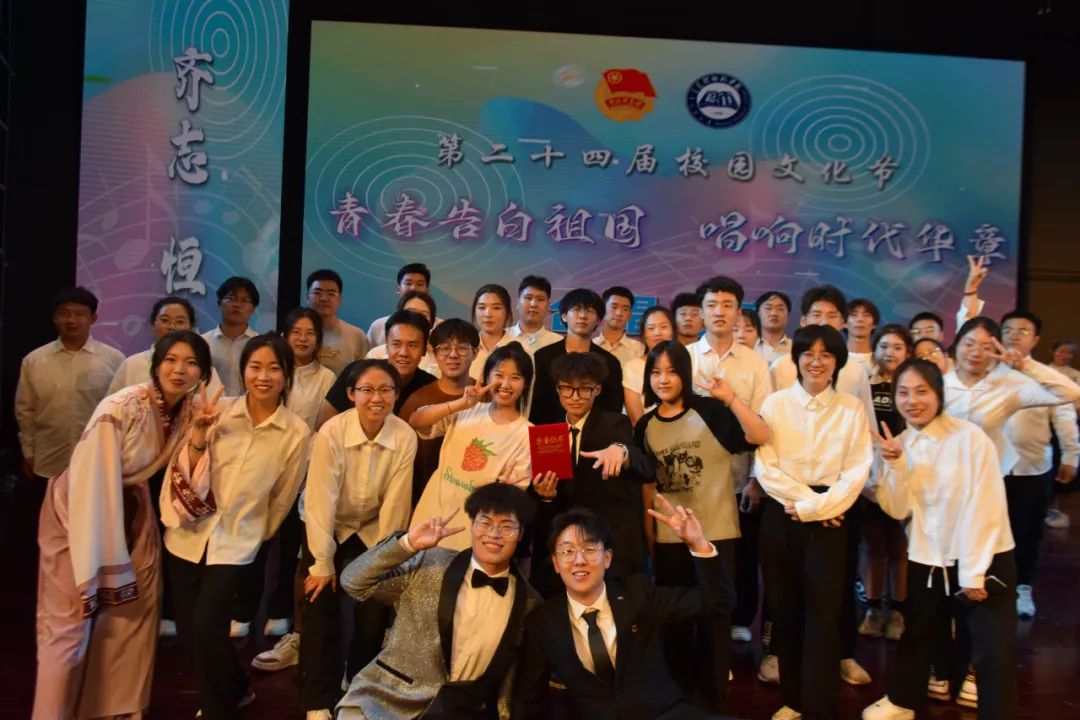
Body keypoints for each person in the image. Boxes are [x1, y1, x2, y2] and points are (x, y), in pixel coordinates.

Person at [31, 330, 210, 720]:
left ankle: (114, 708)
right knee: (68, 623)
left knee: (135, 607)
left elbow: (187, 477)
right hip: (81, 505)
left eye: (191, 362)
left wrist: (198, 437)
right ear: (155, 365)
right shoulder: (122, 406)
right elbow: (92, 474)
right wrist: (103, 545)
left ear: (203, 373)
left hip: (133, 502)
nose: (179, 370)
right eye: (170, 360)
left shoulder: (193, 410)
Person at [163, 333, 311, 719]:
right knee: (190, 631)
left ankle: (216, 707)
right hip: (188, 532)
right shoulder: (219, 410)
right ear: (243, 370)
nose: (263, 376)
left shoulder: (296, 432)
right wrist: (198, 435)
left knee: (207, 622)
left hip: (238, 540)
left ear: (287, 375)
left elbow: (284, 494)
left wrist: (261, 533)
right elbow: (184, 468)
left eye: (274, 368)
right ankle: (238, 687)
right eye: (255, 367)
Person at [862, 359, 1017, 720]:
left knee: (992, 650)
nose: (912, 401)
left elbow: (986, 506)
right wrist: (895, 464)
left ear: (939, 394)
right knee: (918, 633)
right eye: (903, 392)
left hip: (984, 557)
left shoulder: (970, 437)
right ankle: (902, 701)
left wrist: (973, 571)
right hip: (928, 557)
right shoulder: (899, 444)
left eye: (922, 391)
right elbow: (898, 509)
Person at [512, 501, 740, 720]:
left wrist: (698, 544)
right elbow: (529, 700)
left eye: (589, 548)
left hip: (663, 714)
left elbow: (719, 603)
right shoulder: (544, 622)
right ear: (555, 563)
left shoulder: (638, 593)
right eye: (568, 551)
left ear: (607, 558)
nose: (579, 560)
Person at [635, 340, 769, 712]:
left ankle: (712, 700)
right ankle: (678, 699)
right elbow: (648, 485)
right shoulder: (645, 424)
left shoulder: (711, 411)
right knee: (674, 622)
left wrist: (731, 399)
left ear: (685, 373)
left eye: (671, 371)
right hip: (669, 537)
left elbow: (760, 436)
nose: (663, 380)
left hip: (716, 533)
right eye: (656, 372)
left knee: (715, 620)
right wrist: (650, 533)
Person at [337, 484, 542, 720]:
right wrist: (407, 544)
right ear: (472, 525)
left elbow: (513, 679)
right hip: (387, 701)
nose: (494, 534)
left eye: (506, 526)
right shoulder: (431, 562)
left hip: (462, 712)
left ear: (521, 534)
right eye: (485, 523)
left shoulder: (529, 603)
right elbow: (353, 582)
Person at [755, 324, 874, 720]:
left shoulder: (851, 408)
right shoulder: (775, 404)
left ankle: (820, 707)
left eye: (826, 355)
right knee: (785, 611)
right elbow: (766, 468)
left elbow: (857, 470)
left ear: (838, 361)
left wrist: (819, 507)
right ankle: (792, 700)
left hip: (832, 519)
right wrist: (812, 504)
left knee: (824, 616)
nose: (816, 362)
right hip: (784, 513)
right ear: (797, 359)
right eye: (808, 353)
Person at [299, 359, 417, 719]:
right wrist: (322, 562)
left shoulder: (404, 435)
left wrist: (382, 561)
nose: (376, 398)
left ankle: (358, 682)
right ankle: (317, 698)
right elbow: (321, 499)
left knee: (374, 606)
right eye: (367, 390)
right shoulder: (332, 433)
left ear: (396, 394)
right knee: (319, 603)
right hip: (329, 524)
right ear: (351, 394)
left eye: (385, 390)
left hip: (373, 527)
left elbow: (396, 504)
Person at [234, 308, 336, 641]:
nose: (302, 338)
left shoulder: (326, 378)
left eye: (310, 333)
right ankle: (243, 610)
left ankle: (280, 611)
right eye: (296, 332)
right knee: (255, 543)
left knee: (291, 546)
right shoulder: (268, 371)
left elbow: (322, 429)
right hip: (259, 468)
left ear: (319, 339)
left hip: (303, 472)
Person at [529, 351, 656, 597]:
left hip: (612, 544)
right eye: (567, 388)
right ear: (558, 389)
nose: (575, 397)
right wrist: (547, 496)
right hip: (568, 547)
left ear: (597, 390)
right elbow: (546, 507)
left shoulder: (615, 424)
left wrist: (622, 452)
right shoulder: (547, 434)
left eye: (584, 389)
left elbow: (646, 467)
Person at [410, 342, 534, 550]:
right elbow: (416, 420)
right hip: (430, 515)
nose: (505, 384)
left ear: (526, 383)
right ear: (486, 377)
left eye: (515, 377)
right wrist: (462, 403)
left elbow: (511, 497)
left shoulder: (527, 433)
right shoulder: (467, 410)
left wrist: (504, 491)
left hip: (472, 532)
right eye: (499, 375)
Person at [17, 287, 125, 481]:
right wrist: (28, 452)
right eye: (65, 314)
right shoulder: (34, 361)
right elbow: (25, 411)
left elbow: (123, 411)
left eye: (79, 314)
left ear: (93, 318)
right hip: (48, 460)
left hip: (98, 461)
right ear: (55, 318)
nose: (71, 320)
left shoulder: (114, 359)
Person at [859, 324, 913, 641]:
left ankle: (898, 611)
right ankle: (873, 608)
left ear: (907, 353)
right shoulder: (865, 385)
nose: (889, 352)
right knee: (873, 546)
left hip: (905, 474)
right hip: (870, 477)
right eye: (883, 346)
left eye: (897, 347)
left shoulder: (913, 389)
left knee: (899, 547)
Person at [399, 319, 481, 503]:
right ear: (434, 353)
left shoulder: (487, 396)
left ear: (476, 352)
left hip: (475, 500)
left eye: (462, 348)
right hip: (425, 498)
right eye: (444, 348)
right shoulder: (417, 401)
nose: (453, 355)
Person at [318, 310, 435, 426]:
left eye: (412, 345)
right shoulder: (356, 373)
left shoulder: (431, 387)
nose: (404, 353)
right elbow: (325, 424)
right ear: (386, 346)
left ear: (424, 349)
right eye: (396, 344)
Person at [530, 288, 623, 425]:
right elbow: (537, 405)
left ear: (598, 320)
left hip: (596, 433)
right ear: (564, 316)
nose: (583, 316)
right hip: (552, 433)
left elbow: (613, 408)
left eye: (590, 311)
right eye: (576, 309)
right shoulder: (543, 357)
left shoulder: (609, 362)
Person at [109, 295, 223, 394]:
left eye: (180, 322)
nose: (172, 327)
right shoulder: (132, 364)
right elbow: (112, 405)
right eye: (165, 320)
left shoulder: (203, 369)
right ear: (153, 323)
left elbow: (216, 406)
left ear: (191, 327)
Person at [201, 276, 261, 396]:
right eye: (230, 299)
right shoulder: (203, 343)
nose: (237, 305)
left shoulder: (261, 344)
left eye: (245, 300)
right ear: (219, 303)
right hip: (210, 406)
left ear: (253, 308)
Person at [305, 269, 370, 376]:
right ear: (307, 297)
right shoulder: (293, 335)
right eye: (317, 293)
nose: (324, 298)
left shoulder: (357, 336)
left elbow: (364, 375)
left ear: (340, 299)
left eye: (331, 294)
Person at [366, 290, 441, 377]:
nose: (415, 319)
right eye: (410, 312)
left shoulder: (440, 360)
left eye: (423, 315)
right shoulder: (376, 355)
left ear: (432, 322)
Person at [623, 306, 674, 425]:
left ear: (673, 330)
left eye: (664, 327)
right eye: (651, 328)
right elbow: (636, 417)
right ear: (643, 335)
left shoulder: (683, 361)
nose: (658, 333)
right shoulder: (632, 367)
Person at [367, 262, 436, 346]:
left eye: (419, 284)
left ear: (427, 290)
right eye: (408, 283)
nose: (413, 288)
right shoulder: (379, 326)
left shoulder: (441, 327)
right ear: (398, 288)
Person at [469, 283, 516, 378]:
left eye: (496, 308)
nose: (488, 314)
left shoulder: (521, 349)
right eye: (482, 307)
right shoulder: (465, 349)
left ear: (507, 312)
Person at [506, 275, 563, 354]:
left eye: (540, 299)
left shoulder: (558, 342)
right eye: (528, 298)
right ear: (518, 303)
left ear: (548, 306)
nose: (533, 304)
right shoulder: (501, 336)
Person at [595, 285, 645, 364]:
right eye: (614, 307)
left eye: (625, 309)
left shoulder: (639, 349)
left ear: (629, 315)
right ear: (603, 310)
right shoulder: (591, 345)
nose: (619, 313)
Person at [755, 291, 792, 363]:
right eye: (768, 308)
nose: (774, 313)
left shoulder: (795, 347)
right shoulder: (748, 345)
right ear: (758, 314)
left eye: (780, 309)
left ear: (788, 315)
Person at [846, 298, 880, 377]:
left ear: (874, 324)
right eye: (854, 315)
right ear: (844, 323)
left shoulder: (881, 360)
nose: (860, 319)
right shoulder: (835, 357)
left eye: (867, 315)